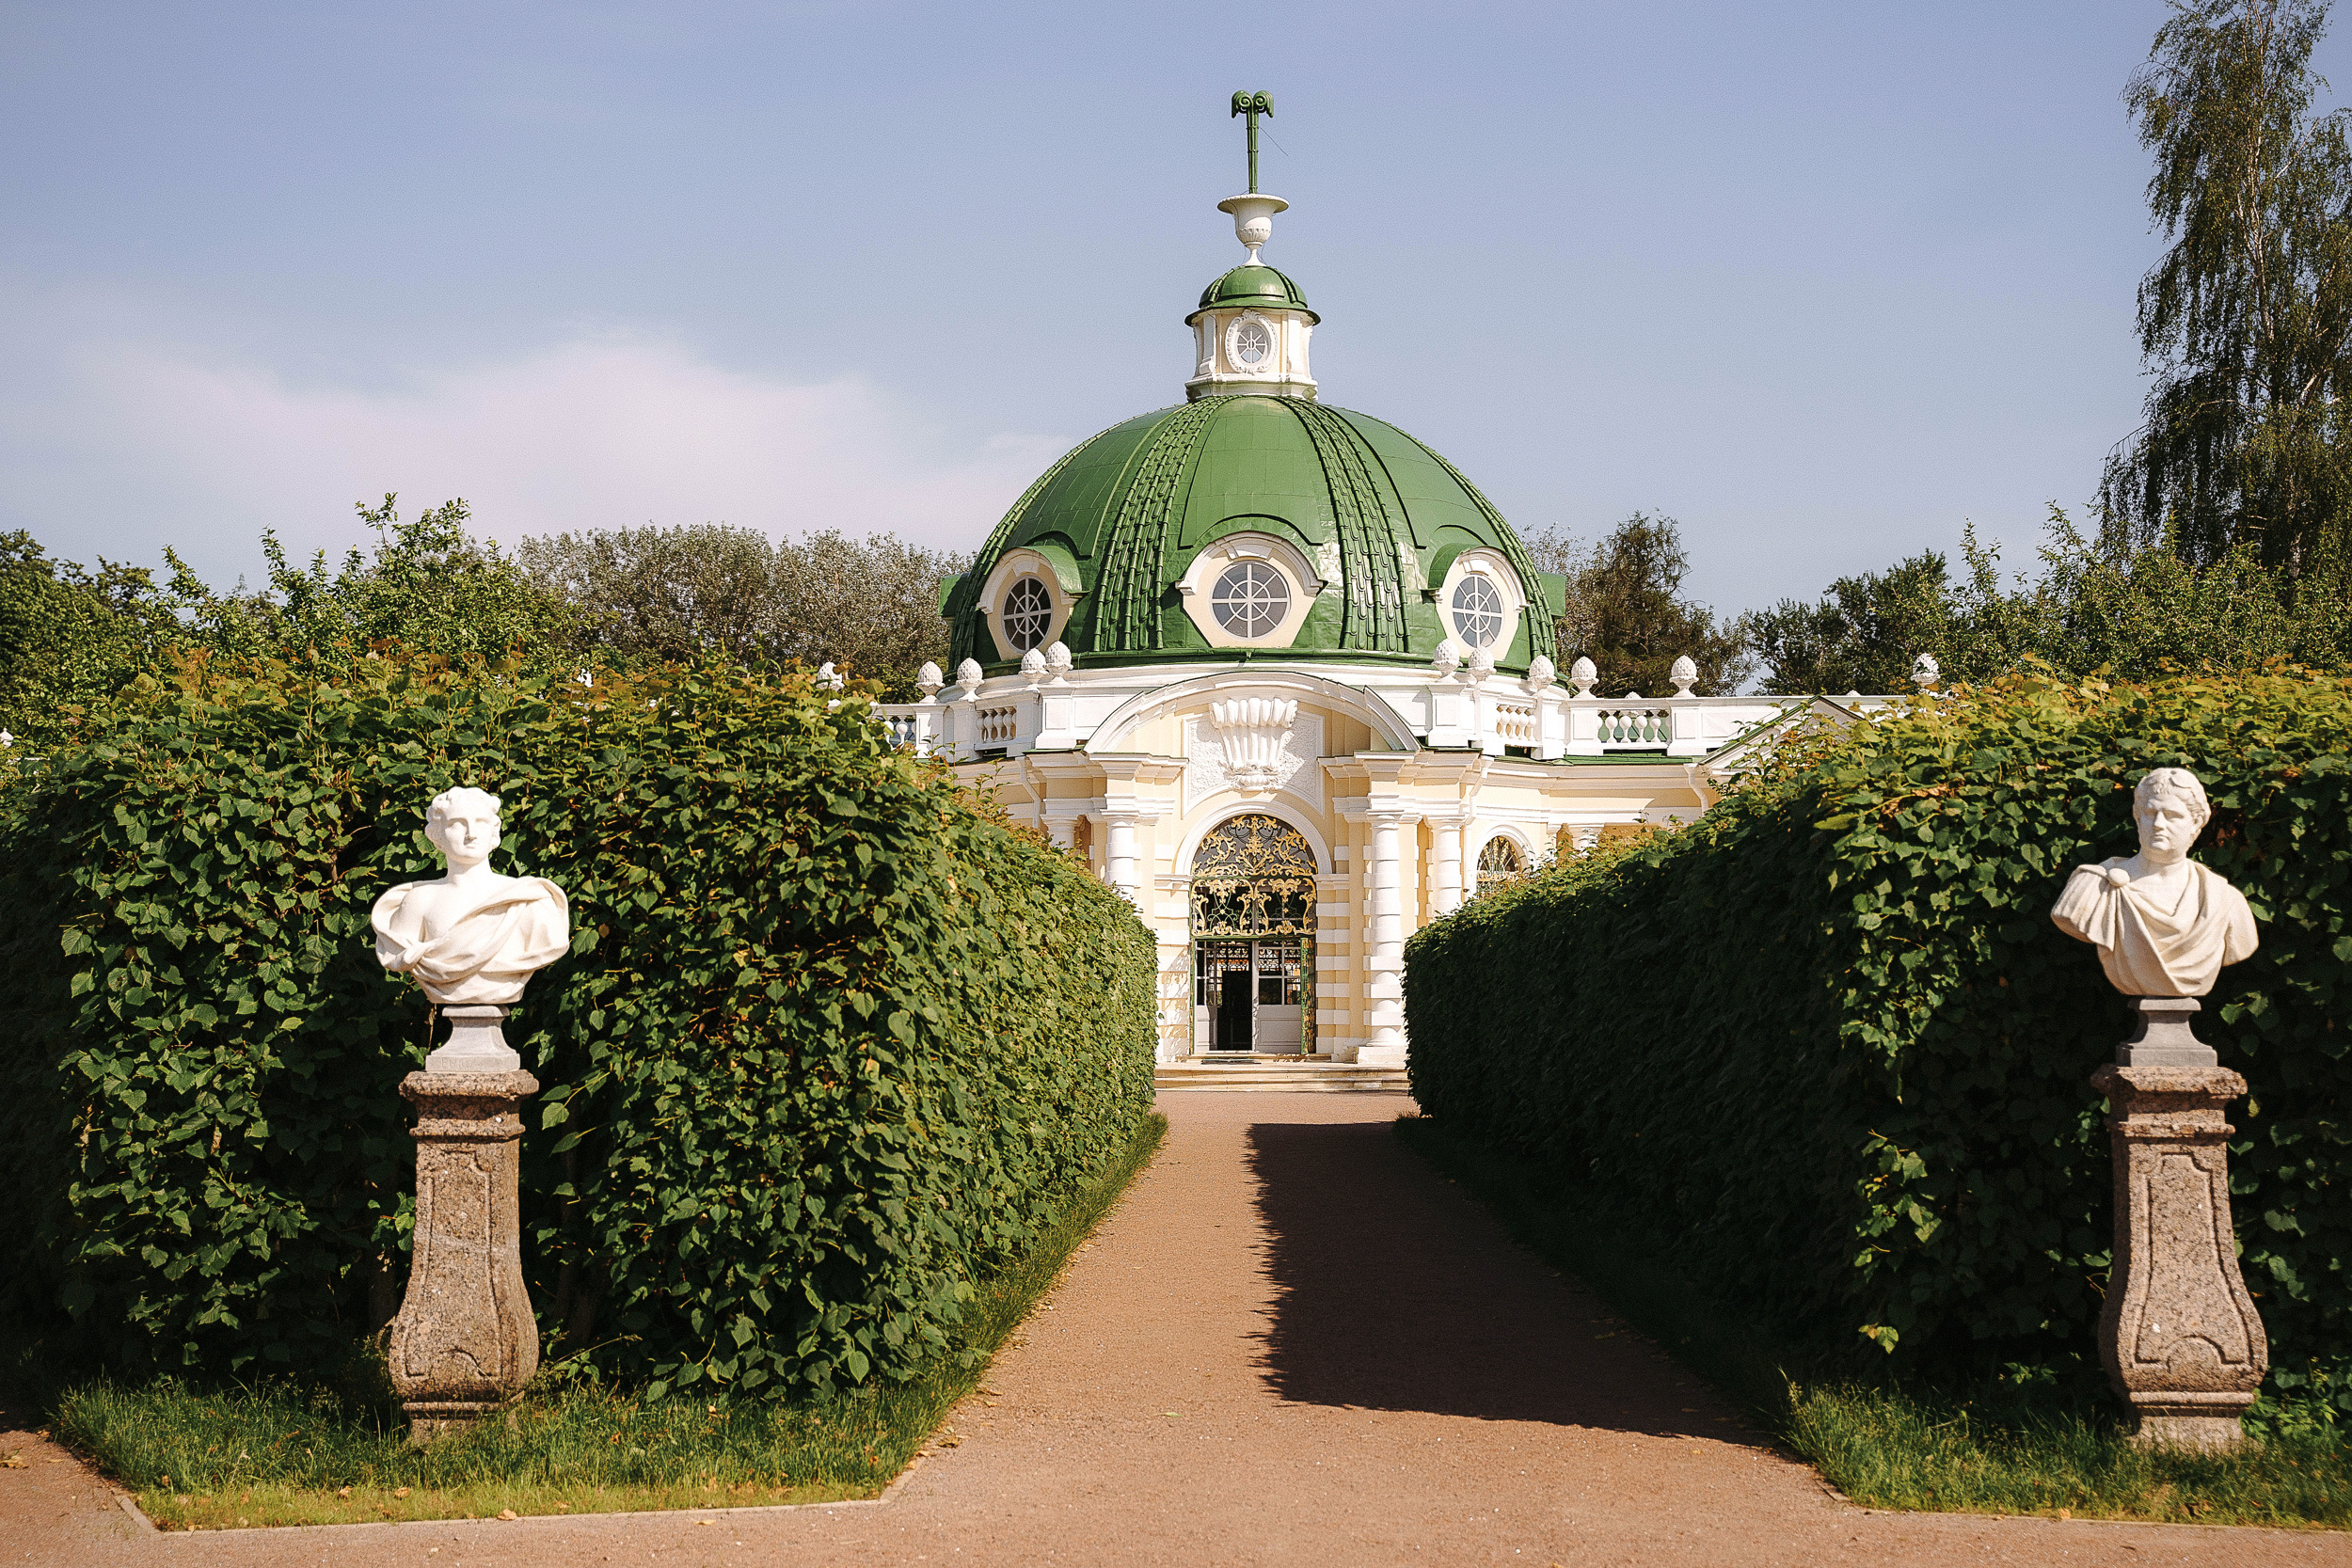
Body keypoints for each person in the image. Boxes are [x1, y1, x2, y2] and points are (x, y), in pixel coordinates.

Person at [2050, 767, 2256, 997]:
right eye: (2150, 813)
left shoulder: (2225, 900)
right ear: (2138, 818)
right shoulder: (2093, 886)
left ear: (2196, 823)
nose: (2158, 824)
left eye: (2172, 816)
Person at [371, 786, 569, 1006]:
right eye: (457, 823)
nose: (471, 833)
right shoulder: (419, 901)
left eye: (481, 822)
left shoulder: (529, 900)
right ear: (437, 835)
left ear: (494, 831)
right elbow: (397, 954)